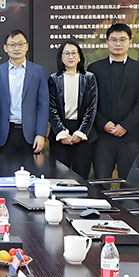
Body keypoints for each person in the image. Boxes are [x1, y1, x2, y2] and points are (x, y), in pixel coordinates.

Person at [87, 23, 139, 180]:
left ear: (130, 42)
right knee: (101, 180)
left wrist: (125, 126)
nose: (118, 44)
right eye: (113, 40)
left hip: (130, 135)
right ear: (107, 42)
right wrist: (103, 123)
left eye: (122, 40)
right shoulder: (95, 68)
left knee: (129, 181)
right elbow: (90, 102)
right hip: (102, 136)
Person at [0, 29, 49, 156]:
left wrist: (41, 134)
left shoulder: (38, 71)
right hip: (5, 133)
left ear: (27, 46)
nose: (16, 48)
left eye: (20, 44)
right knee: (3, 168)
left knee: (31, 168)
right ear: (5, 48)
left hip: (30, 134)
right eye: (12, 45)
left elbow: (43, 106)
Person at [47, 40, 98, 179]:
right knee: (59, 177)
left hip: (83, 135)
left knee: (80, 177)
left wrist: (81, 133)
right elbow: (52, 108)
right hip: (60, 135)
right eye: (66, 53)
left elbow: (91, 107)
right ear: (61, 57)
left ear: (80, 56)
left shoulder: (89, 78)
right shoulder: (53, 79)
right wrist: (62, 133)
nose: (70, 56)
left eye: (74, 53)